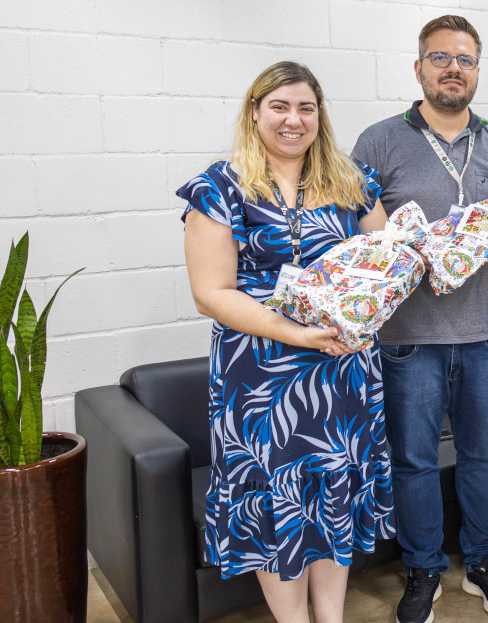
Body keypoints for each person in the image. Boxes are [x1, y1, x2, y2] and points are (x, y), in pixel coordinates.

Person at [177, 61, 393, 623]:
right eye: (280, 106)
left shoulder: (353, 180)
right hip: (262, 383)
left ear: (320, 115)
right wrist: (295, 332)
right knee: (278, 508)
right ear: (255, 112)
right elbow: (212, 292)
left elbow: (387, 266)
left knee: (331, 501)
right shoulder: (220, 187)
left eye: (306, 108)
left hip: (342, 374)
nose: (293, 120)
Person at [351, 15, 488, 622]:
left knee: (484, 457)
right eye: (440, 58)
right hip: (408, 339)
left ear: (478, 70)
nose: (454, 68)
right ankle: (422, 569)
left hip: (486, 335)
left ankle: (483, 562)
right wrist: (411, 248)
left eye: (465, 60)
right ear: (418, 67)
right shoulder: (376, 142)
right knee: (415, 461)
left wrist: (480, 238)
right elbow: (358, 241)